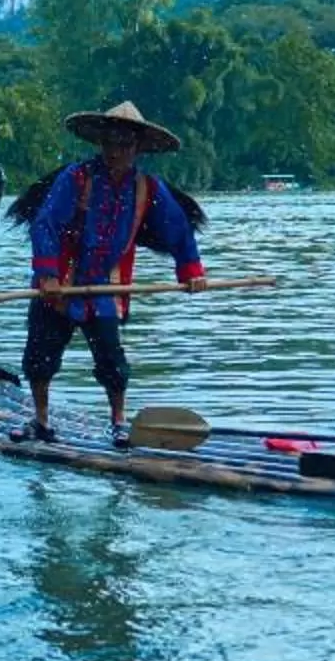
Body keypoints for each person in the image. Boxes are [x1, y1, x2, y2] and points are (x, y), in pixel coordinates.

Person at [13, 99, 205, 445]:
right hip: (59, 284)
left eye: (125, 145)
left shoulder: (148, 189)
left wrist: (190, 271)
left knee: (113, 363)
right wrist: (48, 275)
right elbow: (45, 225)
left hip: (104, 287)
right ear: (100, 144)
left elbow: (179, 229)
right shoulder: (77, 178)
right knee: (40, 356)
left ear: (138, 149)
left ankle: (118, 422)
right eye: (110, 143)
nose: (116, 152)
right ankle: (41, 420)